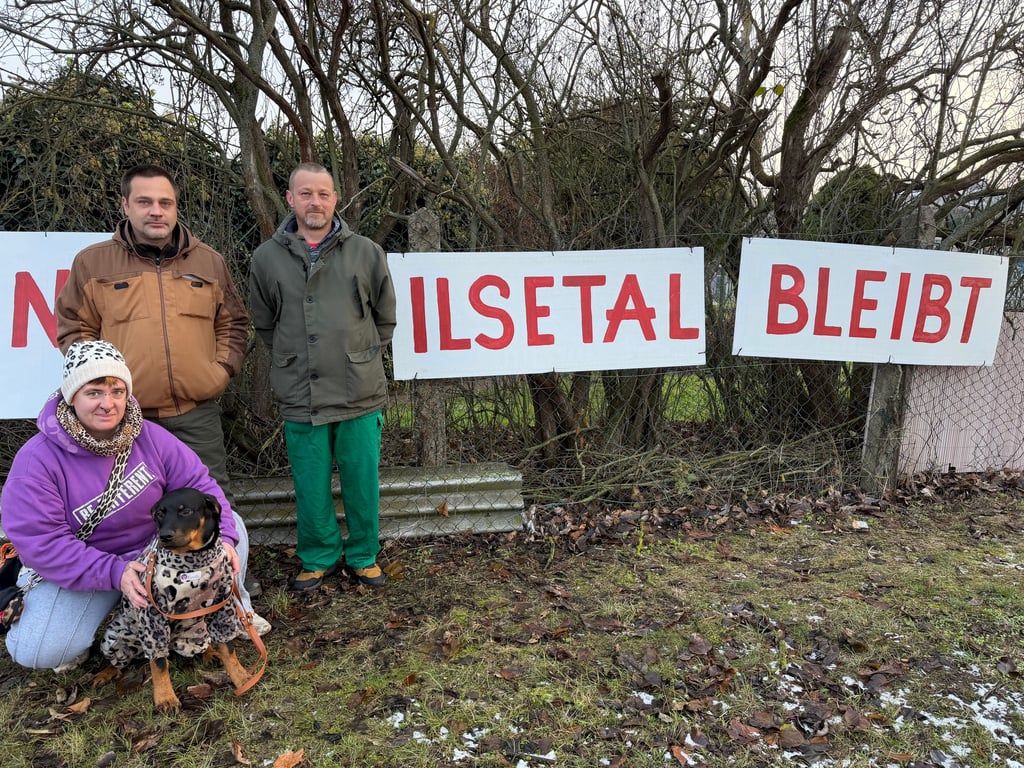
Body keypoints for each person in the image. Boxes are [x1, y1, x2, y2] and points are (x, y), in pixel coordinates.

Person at [0, 341, 269, 672]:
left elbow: (200, 486)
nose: (108, 403)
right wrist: (115, 573)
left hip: (158, 552)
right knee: (37, 650)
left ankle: (233, 605)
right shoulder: (37, 462)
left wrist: (225, 537)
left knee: (231, 527)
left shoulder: (148, 435)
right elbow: (43, 543)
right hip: (92, 564)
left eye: (117, 390)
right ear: (72, 397)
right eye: (94, 392)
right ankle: (97, 620)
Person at [55, 164, 249, 498]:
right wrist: (104, 387)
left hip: (195, 415)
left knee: (212, 502)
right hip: (123, 416)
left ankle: (223, 553)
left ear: (176, 207)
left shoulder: (209, 262)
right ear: (125, 205)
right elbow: (74, 328)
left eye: (165, 203)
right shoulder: (92, 263)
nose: (156, 211)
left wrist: (218, 373)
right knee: (127, 510)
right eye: (145, 202)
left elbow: (233, 323)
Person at [249, 162, 396, 591]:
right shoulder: (266, 258)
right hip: (300, 392)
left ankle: (364, 554)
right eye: (306, 193)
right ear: (290, 199)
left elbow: (384, 319)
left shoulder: (366, 251)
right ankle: (318, 556)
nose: (316, 202)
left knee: (362, 480)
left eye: (324, 194)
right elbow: (264, 323)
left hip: (359, 390)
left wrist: (358, 354)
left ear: (336, 199)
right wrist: (295, 358)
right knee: (310, 483)